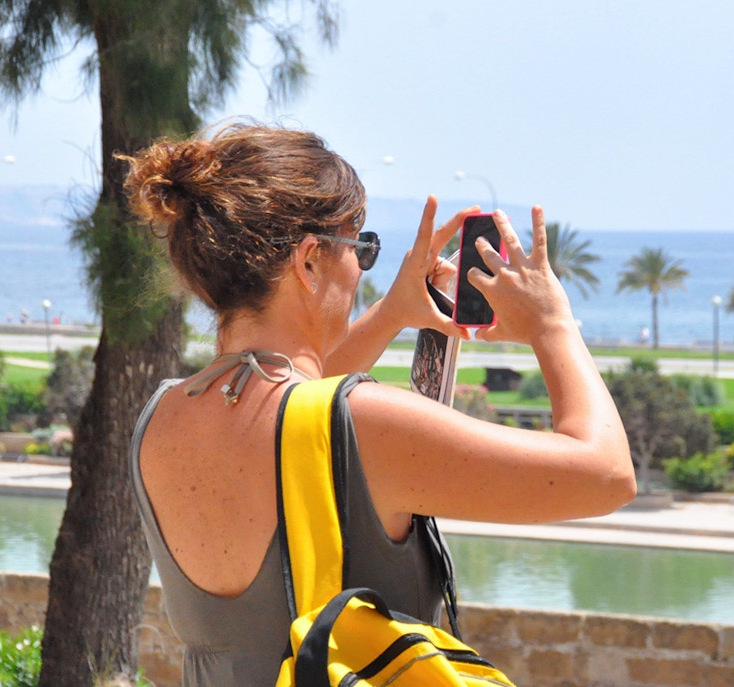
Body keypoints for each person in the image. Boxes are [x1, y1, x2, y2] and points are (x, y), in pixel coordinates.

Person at [122, 123, 635, 686]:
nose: (363, 269)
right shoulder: (365, 425)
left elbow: (297, 426)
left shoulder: (161, 419)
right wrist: (552, 324)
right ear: (310, 260)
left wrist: (393, 312)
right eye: (362, 248)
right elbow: (605, 474)